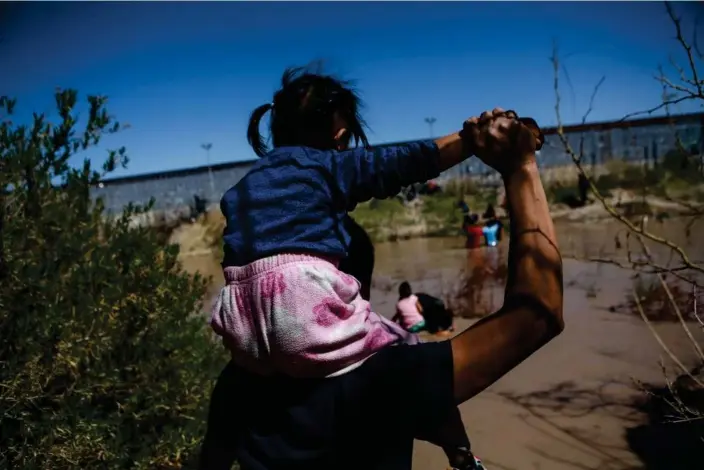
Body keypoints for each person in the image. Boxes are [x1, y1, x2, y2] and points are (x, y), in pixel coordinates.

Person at [201, 106, 562, 470]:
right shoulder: (392, 375)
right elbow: (538, 313)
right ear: (348, 281)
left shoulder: (238, 382)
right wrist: (521, 169)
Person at [208, 66, 481, 470]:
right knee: (406, 349)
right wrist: (473, 139)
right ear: (338, 133)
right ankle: (461, 454)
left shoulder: (245, 187)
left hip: (238, 315)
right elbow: (409, 161)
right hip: (299, 301)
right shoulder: (327, 166)